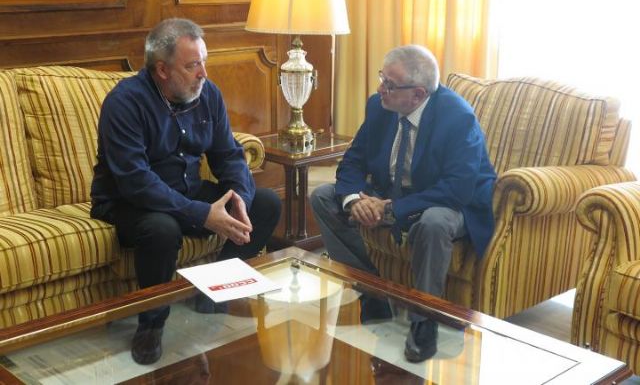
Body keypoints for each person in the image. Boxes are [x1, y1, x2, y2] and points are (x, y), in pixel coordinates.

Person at [90, 18, 281, 365]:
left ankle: (213, 291)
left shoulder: (207, 94)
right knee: (163, 228)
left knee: (265, 203)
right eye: (193, 65)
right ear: (162, 69)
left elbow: (228, 155)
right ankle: (151, 324)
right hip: (130, 202)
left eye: (204, 62)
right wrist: (202, 214)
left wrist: (238, 197)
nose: (203, 73)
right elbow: (136, 181)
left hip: (187, 191)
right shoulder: (124, 103)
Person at [310, 44, 495, 363]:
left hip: (450, 202)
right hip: (394, 194)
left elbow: (457, 188)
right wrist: (356, 200)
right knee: (324, 197)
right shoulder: (379, 106)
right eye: (382, 78)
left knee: (434, 222)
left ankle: (425, 322)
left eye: (390, 85)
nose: (381, 88)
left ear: (419, 94)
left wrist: (391, 208)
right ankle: (371, 290)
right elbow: (353, 161)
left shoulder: (457, 117)